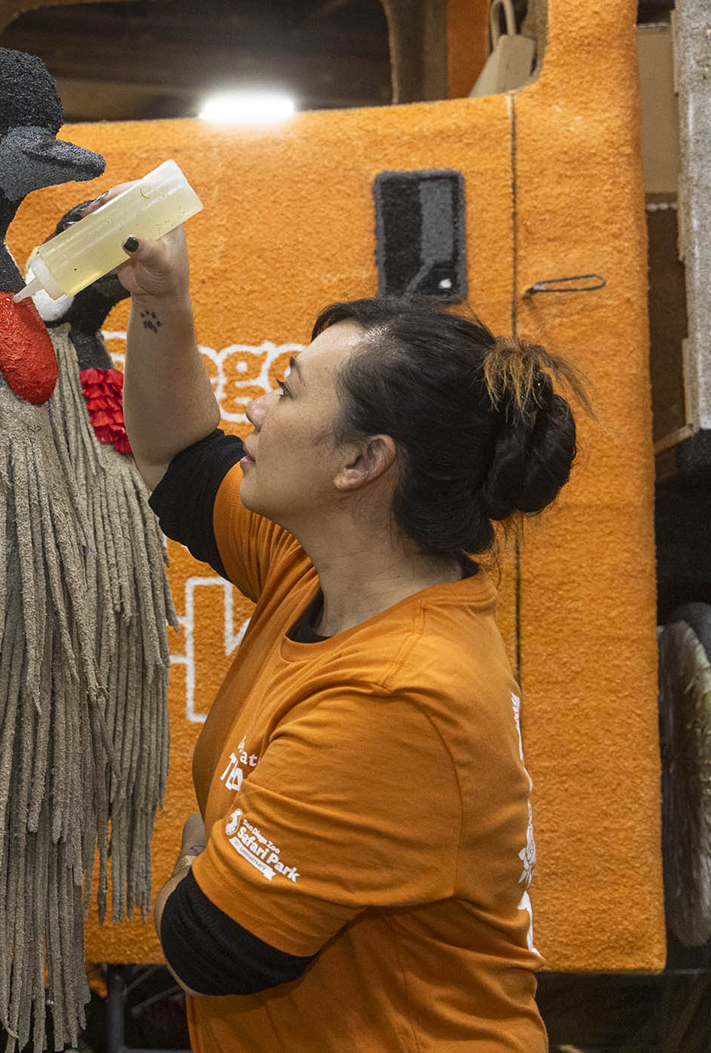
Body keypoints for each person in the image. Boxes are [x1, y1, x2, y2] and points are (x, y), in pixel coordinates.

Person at [106, 202, 585, 1051]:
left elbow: (207, 947)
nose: (256, 408)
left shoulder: (399, 694)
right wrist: (161, 300)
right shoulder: (316, 569)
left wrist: (196, 868)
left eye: (285, 390)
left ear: (364, 463)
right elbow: (175, 459)